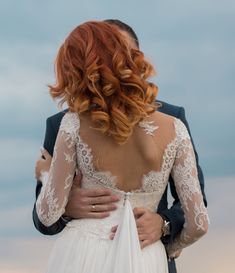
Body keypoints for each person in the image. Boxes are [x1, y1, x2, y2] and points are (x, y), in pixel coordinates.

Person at [34, 21, 208, 273]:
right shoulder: (173, 127)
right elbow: (199, 222)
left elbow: (46, 211)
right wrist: (167, 249)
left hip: (85, 256)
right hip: (147, 258)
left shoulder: (71, 124)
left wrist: (164, 225)